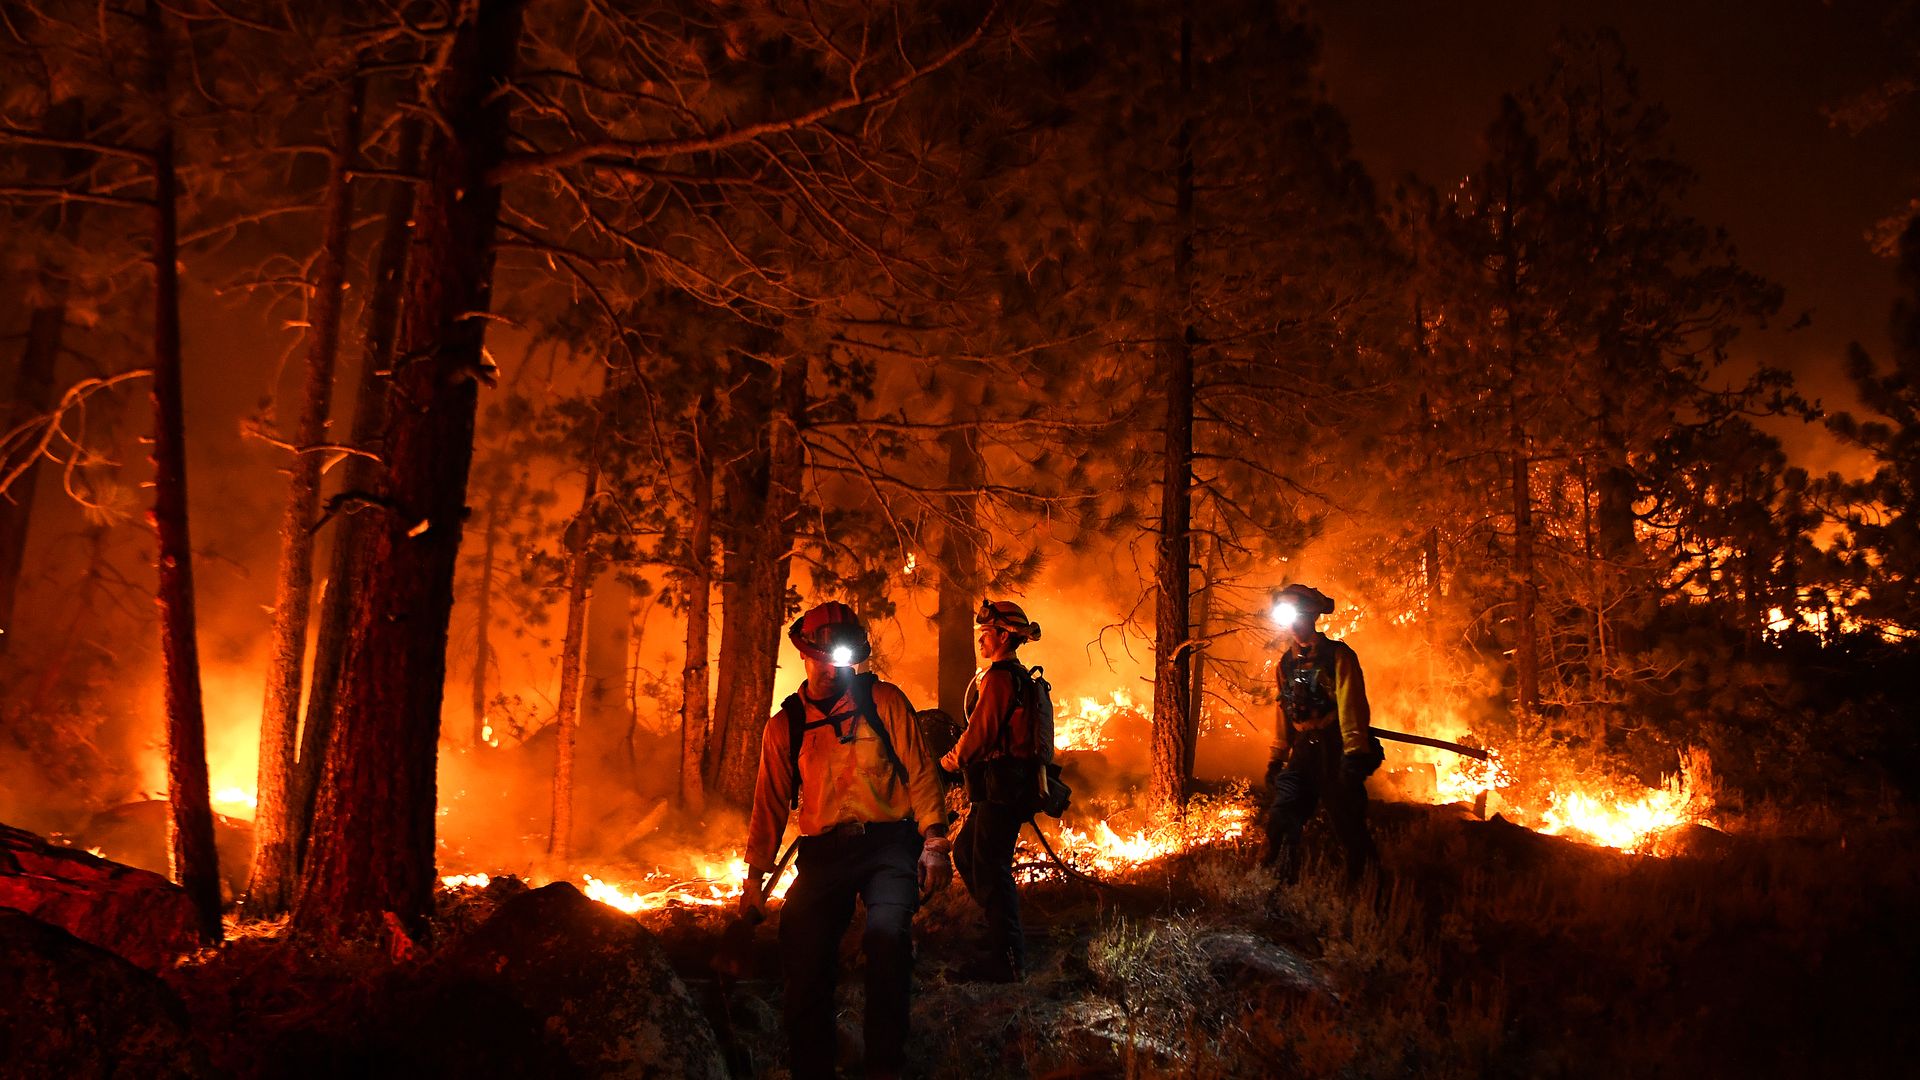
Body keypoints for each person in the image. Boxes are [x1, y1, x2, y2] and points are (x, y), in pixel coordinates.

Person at [739, 601, 952, 1080]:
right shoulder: (785, 726)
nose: (835, 668)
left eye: (844, 659)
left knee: (887, 940)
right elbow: (769, 805)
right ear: (805, 654)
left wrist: (935, 843)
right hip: (823, 857)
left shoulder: (885, 702)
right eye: (824, 657)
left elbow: (920, 774)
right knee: (803, 951)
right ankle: (812, 1066)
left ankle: (884, 1066)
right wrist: (753, 879)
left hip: (888, 846)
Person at [939, 599, 1044, 982]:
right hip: (1000, 787)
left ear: (1003, 636)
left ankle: (1006, 959)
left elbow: (978, 737)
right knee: (967, 852)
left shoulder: (1001, 679)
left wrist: (945, 764)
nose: (980, 641)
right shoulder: (1008, 676)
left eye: (985, 634)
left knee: (989, 866)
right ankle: (998, 934)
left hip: (1003, 786)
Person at [1261, 583, 1380, 882]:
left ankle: (1368, 889)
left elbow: (1352, 706)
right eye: (1289, 618)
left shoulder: (1338, 656)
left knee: (1348, 825)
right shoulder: (1285, 663)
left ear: (1312, 615)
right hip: (1303, 750)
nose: (1295, 625)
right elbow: (1283, 713)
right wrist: (1277, 758)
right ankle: (1277, 888)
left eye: (1300, 616)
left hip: (1335, 747)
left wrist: (1354, 755)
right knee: (1281, 819)